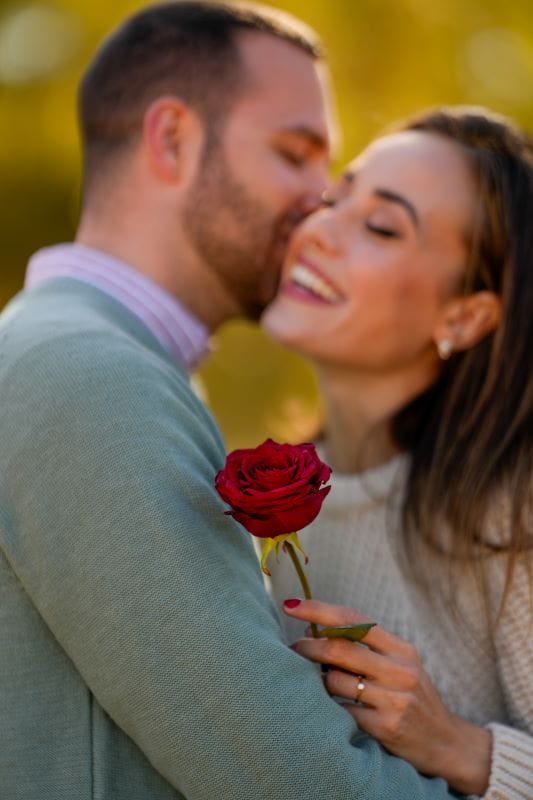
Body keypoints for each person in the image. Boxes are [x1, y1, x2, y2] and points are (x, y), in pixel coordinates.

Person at [0, 2, 465, 799]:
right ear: (173, 139)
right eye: (295, 153)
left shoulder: (84, 353)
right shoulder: (92, 378)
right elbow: (293, 780)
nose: (321, 201)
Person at [262, 106, 533, 800]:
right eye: (333, 198)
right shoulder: (266, 495)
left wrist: (462, 749)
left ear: (464, 316)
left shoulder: (510, 508)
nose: (318, 230)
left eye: (380, 226)